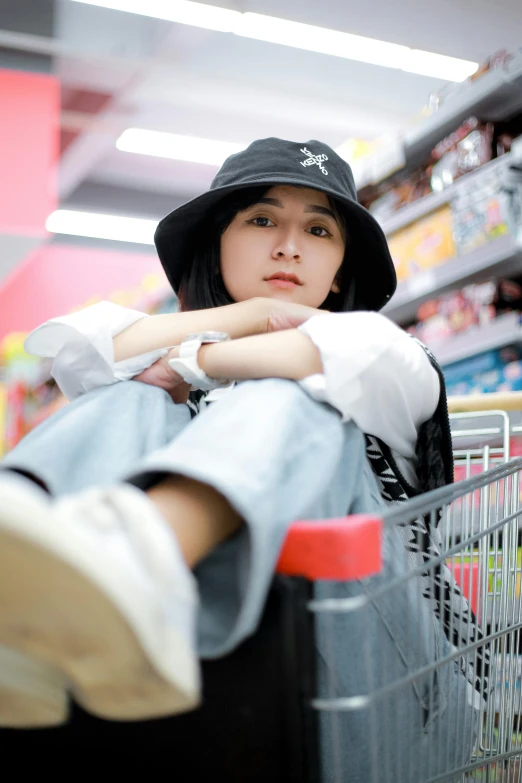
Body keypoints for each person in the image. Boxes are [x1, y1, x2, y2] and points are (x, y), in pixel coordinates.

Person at [0, 138, 480, 780]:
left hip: (402, 696)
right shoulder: (175, 383)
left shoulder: (394, 366)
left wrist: (194, 359)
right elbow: (79, 352)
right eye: (261, 220)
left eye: (318, 229)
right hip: (252, 690)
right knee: (130, 404)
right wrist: (249, 314)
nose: (289, 246)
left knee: (296, 403)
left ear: (338, 269)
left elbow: (355, 347)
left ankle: (138, 561)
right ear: (216, 244)